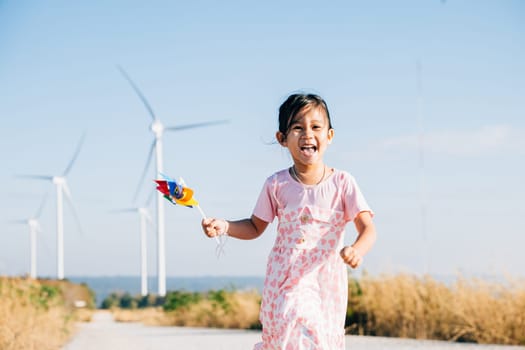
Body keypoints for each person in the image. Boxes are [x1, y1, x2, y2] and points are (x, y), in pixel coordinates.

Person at [201, 93, 376, 349]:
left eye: (316, 127)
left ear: (329, 136)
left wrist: (356, 250)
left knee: (320, 339)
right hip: (286, 277)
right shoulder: (277, 184)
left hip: (326, 279)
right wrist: (226, 226)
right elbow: (254, 226)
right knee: (297, 322)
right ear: (282, 139)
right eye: (297, 128)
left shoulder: (343, 183)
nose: (307, 134)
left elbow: (368, 227)